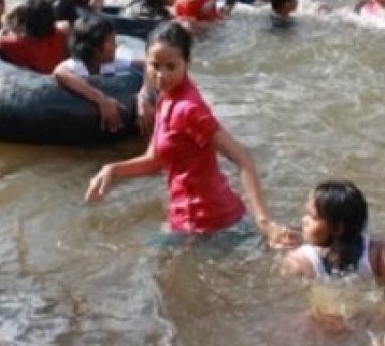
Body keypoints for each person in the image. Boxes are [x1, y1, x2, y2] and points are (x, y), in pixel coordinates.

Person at [84, 22, 296, 245]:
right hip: (188, 219)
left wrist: (264, 222)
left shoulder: (189, 108)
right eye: (154, 66)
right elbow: (155, 160)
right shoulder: (166, 98)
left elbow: (243, 159)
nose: (161, 75)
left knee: (130, 250)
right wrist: (112, 169)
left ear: (187, 63)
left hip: (210, 225)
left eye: (170, 66)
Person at [281, 180, 385, 281]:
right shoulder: (300, 261)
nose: (304, 220)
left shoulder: (377, 253)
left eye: (313, 217)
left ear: (338, 229)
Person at [53, 16, 153, 133]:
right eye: (111, 42)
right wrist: (101, 100)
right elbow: (59, 73)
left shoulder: (113, 62)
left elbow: (148, 65)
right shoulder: (77, 65)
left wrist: (143, 96)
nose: (116, 45)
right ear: (95, 49)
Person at [0, 0, 70, 74]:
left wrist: (5, 29)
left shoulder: (18, 43)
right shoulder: (61, 33)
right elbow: (64, 24)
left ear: (27, 25)